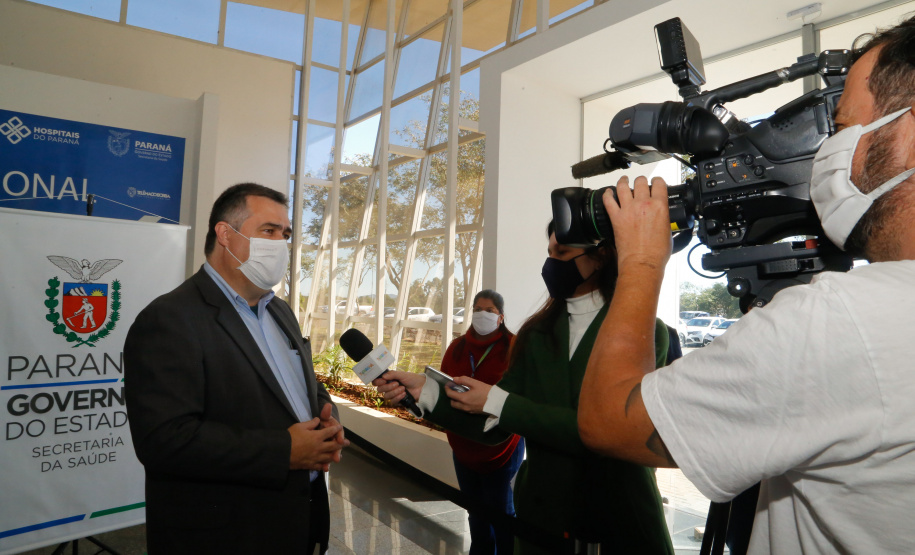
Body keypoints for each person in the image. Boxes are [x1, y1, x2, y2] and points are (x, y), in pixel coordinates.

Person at [577, 17, 915, 554]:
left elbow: (606, 420)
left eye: (844, 126)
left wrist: (641, 261)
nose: (830, 151)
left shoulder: (842, 322)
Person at [375, 224, 674, 555]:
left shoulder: (645, 333)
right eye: (549, 254)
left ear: (601, 256)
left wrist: (502, 404)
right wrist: (427, 391)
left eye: (561, 253)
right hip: (542, 517)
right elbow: (491, 424)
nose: (551, 264)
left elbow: (608, 432)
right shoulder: (536, 335)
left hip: (619, 517)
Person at [124, 183, 347, 554]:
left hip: (296, 521)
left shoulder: (281, 311)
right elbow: (164, 440)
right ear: (225, 234)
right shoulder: (169, 319)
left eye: (286, 233)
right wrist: (284, 449)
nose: (281, 243)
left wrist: (327, 419)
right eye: (269, 231)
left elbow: (305, 388)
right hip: (224, 533)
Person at [442, 289, 523, 555]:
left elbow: (521, 394)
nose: (482, 315)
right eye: (478, 309)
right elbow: (443, 385)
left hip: (501, 444)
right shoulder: (457, 348)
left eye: (489, 311)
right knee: (474, 510)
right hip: (463, 444)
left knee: (500, 509)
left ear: (500, 317)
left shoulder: (514, 347)